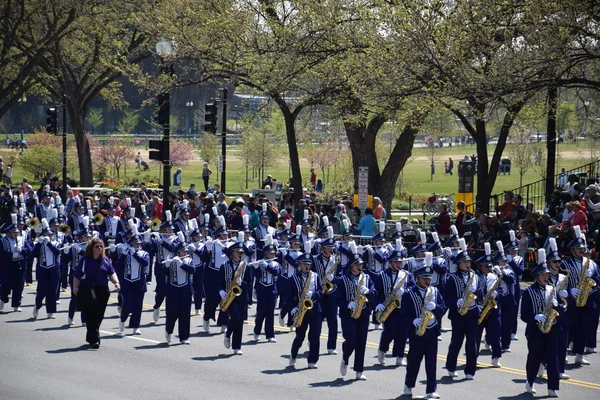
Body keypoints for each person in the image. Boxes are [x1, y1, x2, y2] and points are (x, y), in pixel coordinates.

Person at [401, 253, 446, 399]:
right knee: (414, 361)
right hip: (416, 333)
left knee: (431, 362)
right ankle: (409, 385)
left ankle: (431, 390)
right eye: (425, 278)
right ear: (418, 278)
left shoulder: (435, 291)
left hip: (432, 330)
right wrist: (413, 320)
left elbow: (443, 307)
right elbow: (403, 314)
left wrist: (436, 308)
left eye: (429, 278)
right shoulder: (409, 293)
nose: (428, 281)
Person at [521, 250, 561, 397]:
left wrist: (558, 305)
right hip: (535, 330)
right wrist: (535, 317)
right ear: (537, 275)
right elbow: (524, 314)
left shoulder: (552, 289)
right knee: (534, 357)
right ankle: (529, 382)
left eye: (547, 275)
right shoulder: (528, 292)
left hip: (552, 329)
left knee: (552, 358)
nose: (546, 277)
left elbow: (560, 310)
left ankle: (552, 387)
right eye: (543, 274)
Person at [445, 238, 483, 380]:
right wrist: (456, 301)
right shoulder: (452, 278)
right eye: (465, 262)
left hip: (472, 313)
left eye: (469, 262)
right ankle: (451, 367)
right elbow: (446, 297)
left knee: (472, 343)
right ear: (459, 264)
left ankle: (470, 370)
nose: (468, 264)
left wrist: (476, 295)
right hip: (458, 315)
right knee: (456, 342)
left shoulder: (475, 276)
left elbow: (481, 292)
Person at [561, 225, 599, 365]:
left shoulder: (591, 264)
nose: (582, 250)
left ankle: (579, 353)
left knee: (585, 327)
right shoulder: (565, 264)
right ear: (572, 250)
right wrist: (570, 290)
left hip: (587, 299)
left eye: (583, 248)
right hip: (572, 300)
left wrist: (592, 279)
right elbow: (560, 280)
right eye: (579, 248)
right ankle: (563, 352)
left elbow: (598, 280)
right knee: (571, 327)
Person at [72, 238, 120, 349]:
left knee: (99, 315)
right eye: (96, 246)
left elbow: (111, 273)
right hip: (89, 290)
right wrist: (75, 287)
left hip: (103, 290)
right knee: (92, 314)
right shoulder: (85, 260)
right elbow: (77, 275)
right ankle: (95, 340)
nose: (99, 248)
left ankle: (91, 337)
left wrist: (117, 283)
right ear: (91, 248)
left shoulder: (106, 260)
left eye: (101, 246)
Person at [336, 253, 377, 380]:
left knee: (361, 342)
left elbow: (375, 293)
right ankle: (345, 357)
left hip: (363, 313)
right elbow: (337, 299)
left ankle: (359, 371)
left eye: (361, 264)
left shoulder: (367, 278)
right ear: (351, 266)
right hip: (348, 314)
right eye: (357, 264)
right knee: (352, 340)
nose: (360, 267)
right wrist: (347, 304)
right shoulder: (343, 279)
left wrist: (369, 292)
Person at [374, 245, 413, 366]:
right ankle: (382, 349)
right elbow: (375, 291)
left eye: (400, 262)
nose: (398, 264)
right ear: (390, 262)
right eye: (396, 261)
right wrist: (378, 303)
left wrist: (406, 292)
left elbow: (413, 288)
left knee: (403, 333)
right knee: (390, 331)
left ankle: (399, 356)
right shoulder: (381, 275)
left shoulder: (407, 274)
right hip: (389, 308)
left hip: (404, 308)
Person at [286, 252, 322, 368]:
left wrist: (314, 294)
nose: (307, 266)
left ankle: (312, 361)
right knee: (300, 336)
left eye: (309, 264)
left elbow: (321, 291)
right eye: (305, 264)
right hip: (300, 310)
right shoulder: (293, 278)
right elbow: (288, 297)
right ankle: (293, 355)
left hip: (315, 308)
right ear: (300, 264)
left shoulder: (315, 276)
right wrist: (292, 308)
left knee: (315, 336)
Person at [219, 241, 252, 355]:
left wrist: (242, 282)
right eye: (238, 251)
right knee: (236, 318)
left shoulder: (246, 267)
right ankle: (228, 334)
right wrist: (221, 291)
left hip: (241, 296)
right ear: (232, 252)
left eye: (241, 252)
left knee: (239, 322)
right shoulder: (224, 266)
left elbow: (250, 283)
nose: (240, 253)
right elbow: (219, 282)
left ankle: (236, 347)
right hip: (229, 297)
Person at [164, 238, 195, 345]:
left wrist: (181, 263)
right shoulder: (171, 260)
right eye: (183, 251)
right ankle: (168, 330)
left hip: (186, 290)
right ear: (178, 252)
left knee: (185, 315)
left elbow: (192, 270)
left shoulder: (189, 260)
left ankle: (184, 337)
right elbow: (163, 273)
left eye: (186, 251)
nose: (185, 253)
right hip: (173, 291)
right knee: (172, 314)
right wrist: (166, 266)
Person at [117, 234, 149, 336]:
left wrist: (135, 253)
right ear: (131, 244)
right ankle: (122, 319)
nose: (137, 245)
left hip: (139, 282)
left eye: (139, 244)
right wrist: (123, 254)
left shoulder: (144, 254)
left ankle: (136, 327)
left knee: (138, 306)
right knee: (128, 304)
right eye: (135, 244)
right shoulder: (126, 253)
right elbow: (118, 266)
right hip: (127, 282)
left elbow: (145, 263)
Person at [252, 234, 281, 342]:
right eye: (269, 253)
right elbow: (258, 277)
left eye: (273, 253)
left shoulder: (276, 264)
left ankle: (270, 335)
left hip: (272, 290)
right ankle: (257, 331)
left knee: (270, 313)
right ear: (265, 254)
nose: (271, 255)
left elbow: (276, 273)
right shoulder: (260, 263)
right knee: (261, 312)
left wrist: (267, 266)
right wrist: (256, 268)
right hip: (262, 289)